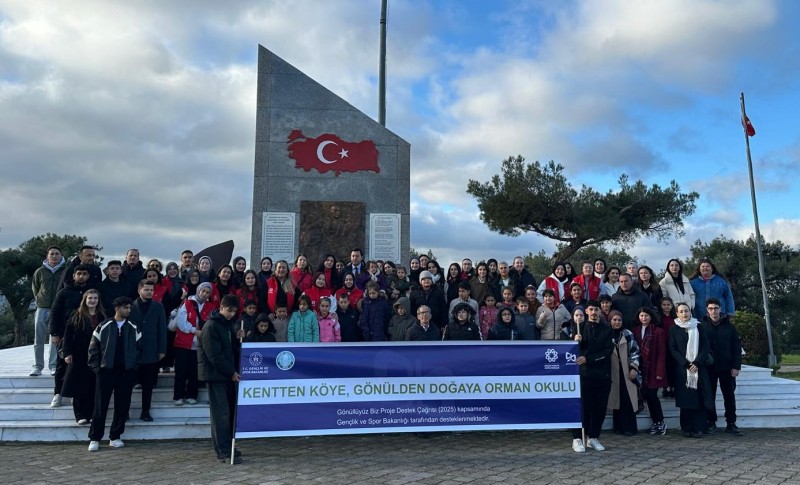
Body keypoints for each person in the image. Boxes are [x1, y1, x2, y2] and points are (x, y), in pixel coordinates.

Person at [87, 296, 141, 452]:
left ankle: (115, 436)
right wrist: (97, 368)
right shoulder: (104, 326)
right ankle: (95, 438)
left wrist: (133, 367)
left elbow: (139, 349)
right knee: (100, 406)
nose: (128, 310)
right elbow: (93, 348)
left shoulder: (133, 327)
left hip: (125, 373)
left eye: (130, 308)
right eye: (125, 307)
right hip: (105, 372)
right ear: (116, 308)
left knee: (122, 406)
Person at [197, 294, 242, 464]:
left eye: (234, 311)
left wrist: (237, 338)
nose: (231, 314)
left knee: (228, 413)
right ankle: (222, 450)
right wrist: (231, 372)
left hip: (227, 375)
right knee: (221, 414)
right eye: (229, 310)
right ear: (221, 307)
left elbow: (229, 349)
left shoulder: (227, 324)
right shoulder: (211, 326)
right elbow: (214, 356)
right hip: (216, 376)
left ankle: (228, 446)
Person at [49, 264, 97, 408]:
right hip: (66, 334)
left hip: (86, 336)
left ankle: (76, 393)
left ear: (88, 276)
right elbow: (55, 313)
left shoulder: (92, 291)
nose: (81, 276)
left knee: (80, 366)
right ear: (74, 276)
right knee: (62, 365)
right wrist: (54, 333)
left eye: (84, 274)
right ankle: (58, 393)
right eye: (79, 273)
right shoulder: (64, 292)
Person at [571, 300, 614, 453]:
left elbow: (607, 352)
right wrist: (575, 342)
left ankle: (593, 437)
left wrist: (588, 359)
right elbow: (573, 352)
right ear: (586, 311)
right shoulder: (579, 328)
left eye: (596, 309)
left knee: (599, 408)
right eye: (591, 309)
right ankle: (577, 438)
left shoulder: (607, 330)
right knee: (583, 407)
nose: (594, 312)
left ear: (600, 311)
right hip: (584, 375)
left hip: (602, 375)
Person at [61, 289, 105, 425]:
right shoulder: (76, 315)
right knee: (79, 384)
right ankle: (80, 414)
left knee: (93, 385)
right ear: (85, 300)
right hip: (79, 354)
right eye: (90, 298)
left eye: (95, 298)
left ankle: (90, 413)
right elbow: (68, 336)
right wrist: (67, 353)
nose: (93, 301)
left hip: (96, 356)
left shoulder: (102, 316)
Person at [669, 302, 713, 438]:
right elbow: (672, 348)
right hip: (683, 370)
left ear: (690, 312)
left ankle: (699, 427)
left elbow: (705, 346)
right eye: (681, 311)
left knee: (699, 399)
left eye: (686, 311)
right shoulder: (673, 329)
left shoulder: (699, 326)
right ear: (677, 313)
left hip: (699, 368)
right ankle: (686, 428)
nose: (684, 313)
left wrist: (697, 362)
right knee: (685, 400)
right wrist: (686, 364)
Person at [701, 297, 743, 436]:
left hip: (727, 367)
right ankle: (711, 422)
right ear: (707, 310)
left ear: (720, 309)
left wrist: (736, 367)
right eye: (711, 308)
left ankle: (731, 423)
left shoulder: (730, 327)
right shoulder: (702, 326)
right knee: (709, 396)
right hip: (709, 367)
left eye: (716, 308)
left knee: (729, 396)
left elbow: (737, 348)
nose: (713, 311)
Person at [129, 280, 167, 422]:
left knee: (148, 385)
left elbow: (162, 328)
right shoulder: (130, 306)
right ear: (139, 290)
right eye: (146, 290)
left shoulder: (158, 306)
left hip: (151, 350)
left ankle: (145, 411)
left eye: (151, 290)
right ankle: (125, 411)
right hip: (132, 352)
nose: (150, 292)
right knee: (128, 385)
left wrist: (162, 349)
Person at [174, 282, 216, 406]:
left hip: (199, 344)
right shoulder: (187, 303)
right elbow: (181, 322)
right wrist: (194, 330)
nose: (205, 294)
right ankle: (178, 395)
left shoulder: (211, 307)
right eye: (203, 291)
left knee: (194, 371)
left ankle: (192, 395)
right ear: (198, 290)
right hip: (183, 343)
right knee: (181, 371)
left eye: (208, 292)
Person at [30, 246, 67, 377]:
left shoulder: (65, 270)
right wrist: (39, 299)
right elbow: (35, 287)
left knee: (55, 338)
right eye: (52, 254)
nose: (54, 256)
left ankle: (53, 365)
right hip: (42, 307)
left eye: (57, 254)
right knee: (38, 338)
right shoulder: (40, 271)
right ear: (47, 256)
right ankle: (37, 366)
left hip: (57, 309)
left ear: (61, 256)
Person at [633, 307, 668, 435]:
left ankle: (660, 422)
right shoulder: (635, 330)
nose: (644, 318)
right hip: (640, 368)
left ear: (651, 317)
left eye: (646, 316)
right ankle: (656, 423)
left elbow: (662, 352)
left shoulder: (658, 331)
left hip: (653, 369)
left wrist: (660, 371)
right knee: (646, 395)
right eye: (642, 316)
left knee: (652, 396)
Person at [607, 310, 640, 436]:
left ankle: (629, 428)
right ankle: (618, 427)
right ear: (610, 321)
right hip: (612, 371)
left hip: (626, 370)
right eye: (614, 320)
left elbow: (635, 351)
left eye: (619, 320)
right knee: (617, 399)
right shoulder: (606, 334)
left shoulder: (627, 334)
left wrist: (634, 367)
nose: (617, 322)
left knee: (627, 399)